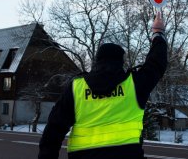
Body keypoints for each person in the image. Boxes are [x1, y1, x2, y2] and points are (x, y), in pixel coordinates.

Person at [38, 12, 167, 159]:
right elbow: (156, 64)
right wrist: (158, 33)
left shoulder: (76, 88)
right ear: (121, 62)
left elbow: (54, 130)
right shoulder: (134, 84)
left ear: (97, 61)